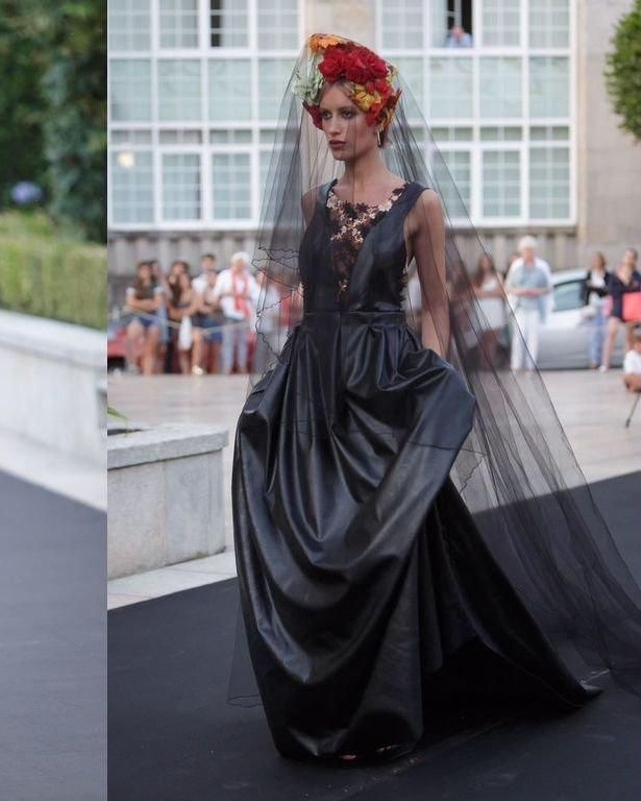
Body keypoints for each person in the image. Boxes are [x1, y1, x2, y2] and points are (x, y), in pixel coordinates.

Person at [233, 34, 641, 764]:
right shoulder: (312, 200)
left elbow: (435, 307)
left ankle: (384, 709)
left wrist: (431, 386)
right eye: (321, 115)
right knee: (314, 546)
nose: (329, 128)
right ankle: (322, 697)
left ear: (377, 116)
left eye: (342, 114)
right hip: (316, 388)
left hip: (388, 385)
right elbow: (302, 297)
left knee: (385, 545)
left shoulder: (420, 204)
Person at [505, 235, 552, 371]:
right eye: (525, 250)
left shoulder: (542, 266)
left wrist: (536, 292)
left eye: (530, 250)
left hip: (535, 308)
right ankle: (516, 365)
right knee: (518, 337)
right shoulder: (516, 266)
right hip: (520, 307)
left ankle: (531, 366)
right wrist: (520, 291)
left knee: (533, 338)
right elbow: (508, 287)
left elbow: (548, 288)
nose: (528, 253)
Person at [214, 252, 259, 374]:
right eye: (238, 263)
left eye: (242, 263)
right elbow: (216, 293)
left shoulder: (248, 277)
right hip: (229, 313)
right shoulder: (225, 275)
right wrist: (227, 292)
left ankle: (241, 366)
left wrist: (246, 295)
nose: (240, 266)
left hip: (243, 314)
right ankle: (227, 367)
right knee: (228, 341)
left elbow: (256, 294)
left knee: (242, 342)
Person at [600, 248, 641, 371]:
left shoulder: (635, 275)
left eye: (630, 257)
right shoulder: (616, 273)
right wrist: (625, 283)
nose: (628, 259)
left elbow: (637, 289)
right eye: (626, 256)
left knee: (629, 337)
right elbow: (612, 289)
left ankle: (627, 363)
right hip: (618, 306)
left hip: (631, 308)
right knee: (611, 332)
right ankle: (605, 363)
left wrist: (628, 281)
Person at [123, 261, 165, 375]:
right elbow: (130, 303)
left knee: (150, 347)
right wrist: (147, 303)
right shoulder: (134, 286)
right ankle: (132, 363)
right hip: (139, 317)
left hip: (152, 318)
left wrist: (139, 303)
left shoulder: (156, 286)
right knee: (130, 336)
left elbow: (157, 303)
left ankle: (148, 372)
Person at [470, 253, 506, 368]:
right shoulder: (476, 277)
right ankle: (483, 363)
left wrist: (483, 294)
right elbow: (474, 292)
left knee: (492, 338)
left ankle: (489, 363)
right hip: (481, 310)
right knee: (482, 338)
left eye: (487, 261)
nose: (485, 264)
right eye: (483, 261)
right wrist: (491, 293)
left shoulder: (497, 275)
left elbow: (500, 292)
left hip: (494, 310)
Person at [189, 253, 222, 374]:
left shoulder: (220, 279)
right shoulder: (196, 281)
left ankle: (215, 372)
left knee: (216, 347)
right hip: (201, 317)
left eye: (210, 262)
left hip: (217, 316)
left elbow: (220, 300)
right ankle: (198, 367)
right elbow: (197, 302)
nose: (208, 265)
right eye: (206, 262)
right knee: (202, 345)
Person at [582, 252, 612, 369]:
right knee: (593, 336)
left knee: (605, 335)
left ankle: (604, 361)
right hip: (593, 308)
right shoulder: (590, 274)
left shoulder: (607, 275)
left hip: (604, 307)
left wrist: (594, 288)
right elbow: (585, 289)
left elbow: (607, 291)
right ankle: (594, 360)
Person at [165, 260, 195, 374]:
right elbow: (171, 311)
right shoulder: (174, 293)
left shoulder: (193, 291)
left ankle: (193, 370)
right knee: (180, 349)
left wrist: (180, 313)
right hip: (176, 324)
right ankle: (185, 372)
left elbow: (194, 307)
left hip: (191, 323)